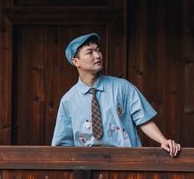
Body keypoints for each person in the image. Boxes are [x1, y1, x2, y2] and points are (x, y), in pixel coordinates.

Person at [52, 32, 181, 156]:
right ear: (76, 62)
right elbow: (63, 143)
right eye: (90, 52)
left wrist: (163, 141)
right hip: (87, 164)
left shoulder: (123, 87)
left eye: (98, 50)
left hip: (126, 160)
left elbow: (143, 120)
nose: (97, 55)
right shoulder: (68, 100)